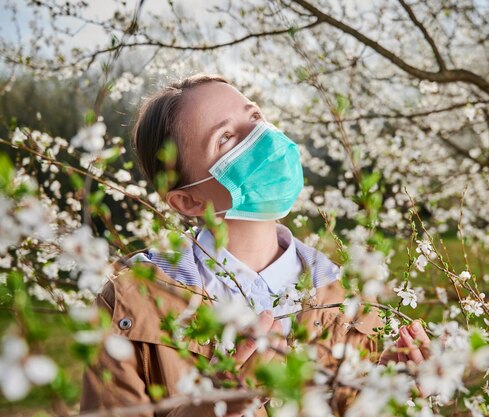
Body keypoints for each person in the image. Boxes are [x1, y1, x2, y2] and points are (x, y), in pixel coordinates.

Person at [79, 74, 431, 417]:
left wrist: (389, 395)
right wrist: (207, 409)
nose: (261, 137)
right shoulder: (132, 302)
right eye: (227, 137)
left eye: (255, 116)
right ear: (187, 202)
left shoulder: (349, 298)